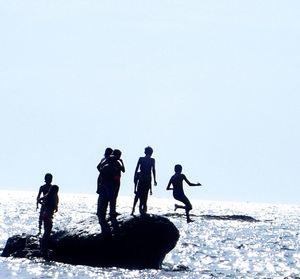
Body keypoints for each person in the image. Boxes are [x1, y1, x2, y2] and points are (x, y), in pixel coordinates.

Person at [96, 154, 120, 234]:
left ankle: (102, 216)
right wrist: (115, 187)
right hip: (110, 187)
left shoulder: (105, 167)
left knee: (103, 203)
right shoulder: (114, 168)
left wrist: (98, 187)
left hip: (104, 186)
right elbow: (116, 179)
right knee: (111, 202)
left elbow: (99, 178)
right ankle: (111, 214)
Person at [134, 146, 157, 214]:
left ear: (145, 152)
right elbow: (153, 170)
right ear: (151, 153)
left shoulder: (141, 159)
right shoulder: (152, 160)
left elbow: (137, 168)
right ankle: (143, 207)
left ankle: (140, 208)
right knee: (145, 194)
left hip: (142, 177)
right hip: (147, 178)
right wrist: (155, 179)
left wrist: (135, 175)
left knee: (139, 193)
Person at [38, 184, 59, 256]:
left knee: (46, 232)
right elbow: (39, 200)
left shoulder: (49, 196)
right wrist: (44, 205)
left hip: (46, 215)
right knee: (47, 232)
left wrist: (43, 204)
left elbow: (39, 199)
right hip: (47, 216)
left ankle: (44, 248)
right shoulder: (50, 197)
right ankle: (44, 249)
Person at [110, 149, 125, 217]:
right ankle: (112, 211)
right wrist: (122, 162)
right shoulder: (116, 162)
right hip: (115, 181)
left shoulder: (111, 161)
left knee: (113, 196)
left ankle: (112, 211)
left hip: (114, 181)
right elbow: (123, 170)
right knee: (113, 196)